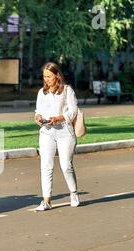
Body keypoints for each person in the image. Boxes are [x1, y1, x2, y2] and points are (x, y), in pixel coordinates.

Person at [33, 62, 80, 211]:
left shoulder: (67, 91)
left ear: (57, 75)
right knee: (46, 166)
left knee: (66, 165)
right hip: (47, 131)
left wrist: (59, 118)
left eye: (49, 76)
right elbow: (37, 111)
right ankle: (46, 201)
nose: (46, 79)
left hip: (65, 132)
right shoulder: (42, 92)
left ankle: (73, 193)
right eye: (44, 76)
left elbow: (73, 111)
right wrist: (38, 117)